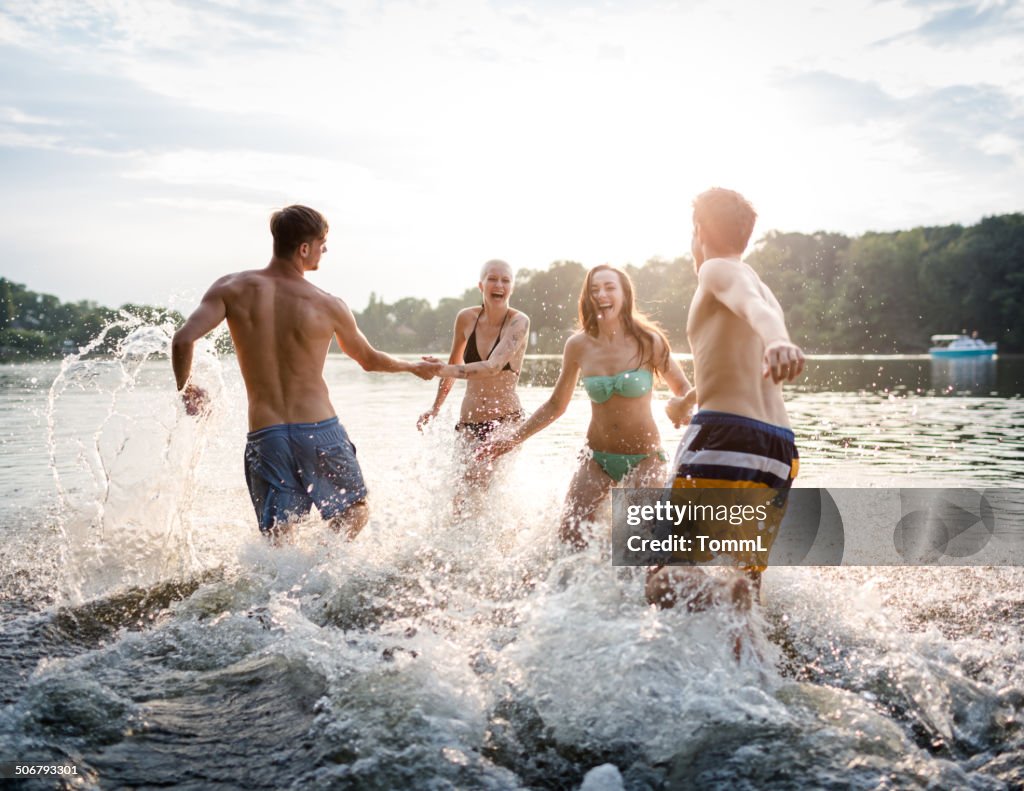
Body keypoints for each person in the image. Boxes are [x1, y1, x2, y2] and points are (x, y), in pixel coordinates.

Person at [171, 205, 440, 542]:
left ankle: (284, 589)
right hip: (319, 430)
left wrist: (187, 388)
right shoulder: (327, 304)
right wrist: (414, 367)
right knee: (354, 510)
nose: (324, 250)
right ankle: (322, 574)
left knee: (278, 537)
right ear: (303, 248)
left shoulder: (231, 288)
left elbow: (183, 340)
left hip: (266, 433)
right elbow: (369, 360)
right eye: (322, 243)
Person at [646, 188, 805, 612]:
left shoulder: (717, 270)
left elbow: (756, 313)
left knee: (662, 574)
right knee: (746, 575)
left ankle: (718, 595)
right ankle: (751, 664)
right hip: (777, 449)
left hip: (724, 437)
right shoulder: (761, 285)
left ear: (698, 230)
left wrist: (778, 341)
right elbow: (741, 354)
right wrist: (690, 398)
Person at [484, 265, 694, 547]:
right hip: (597, 459)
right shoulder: (578, 345)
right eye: (594, 289)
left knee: (639, 546)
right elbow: (556, 405)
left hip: (646, 459)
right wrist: (513, 439)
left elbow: (683, 389)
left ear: (625, 294)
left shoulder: (650, 341)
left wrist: (684, 409)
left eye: (609, 287)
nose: (601, 294)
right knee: (569, 540)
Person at [417, 260, 530, 492]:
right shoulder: (466, 318)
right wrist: (435, 408)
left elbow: (492, 366)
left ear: (512, 288)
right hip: (469, 422)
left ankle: (506, 528)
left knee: (483, 485)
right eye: (492, 278)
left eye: (505, 280)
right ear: (481, 285)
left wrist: (440, 369)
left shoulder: (519, 322)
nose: (499, 284)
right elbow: (454, 363)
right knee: (460, 497)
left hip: (505, 422)